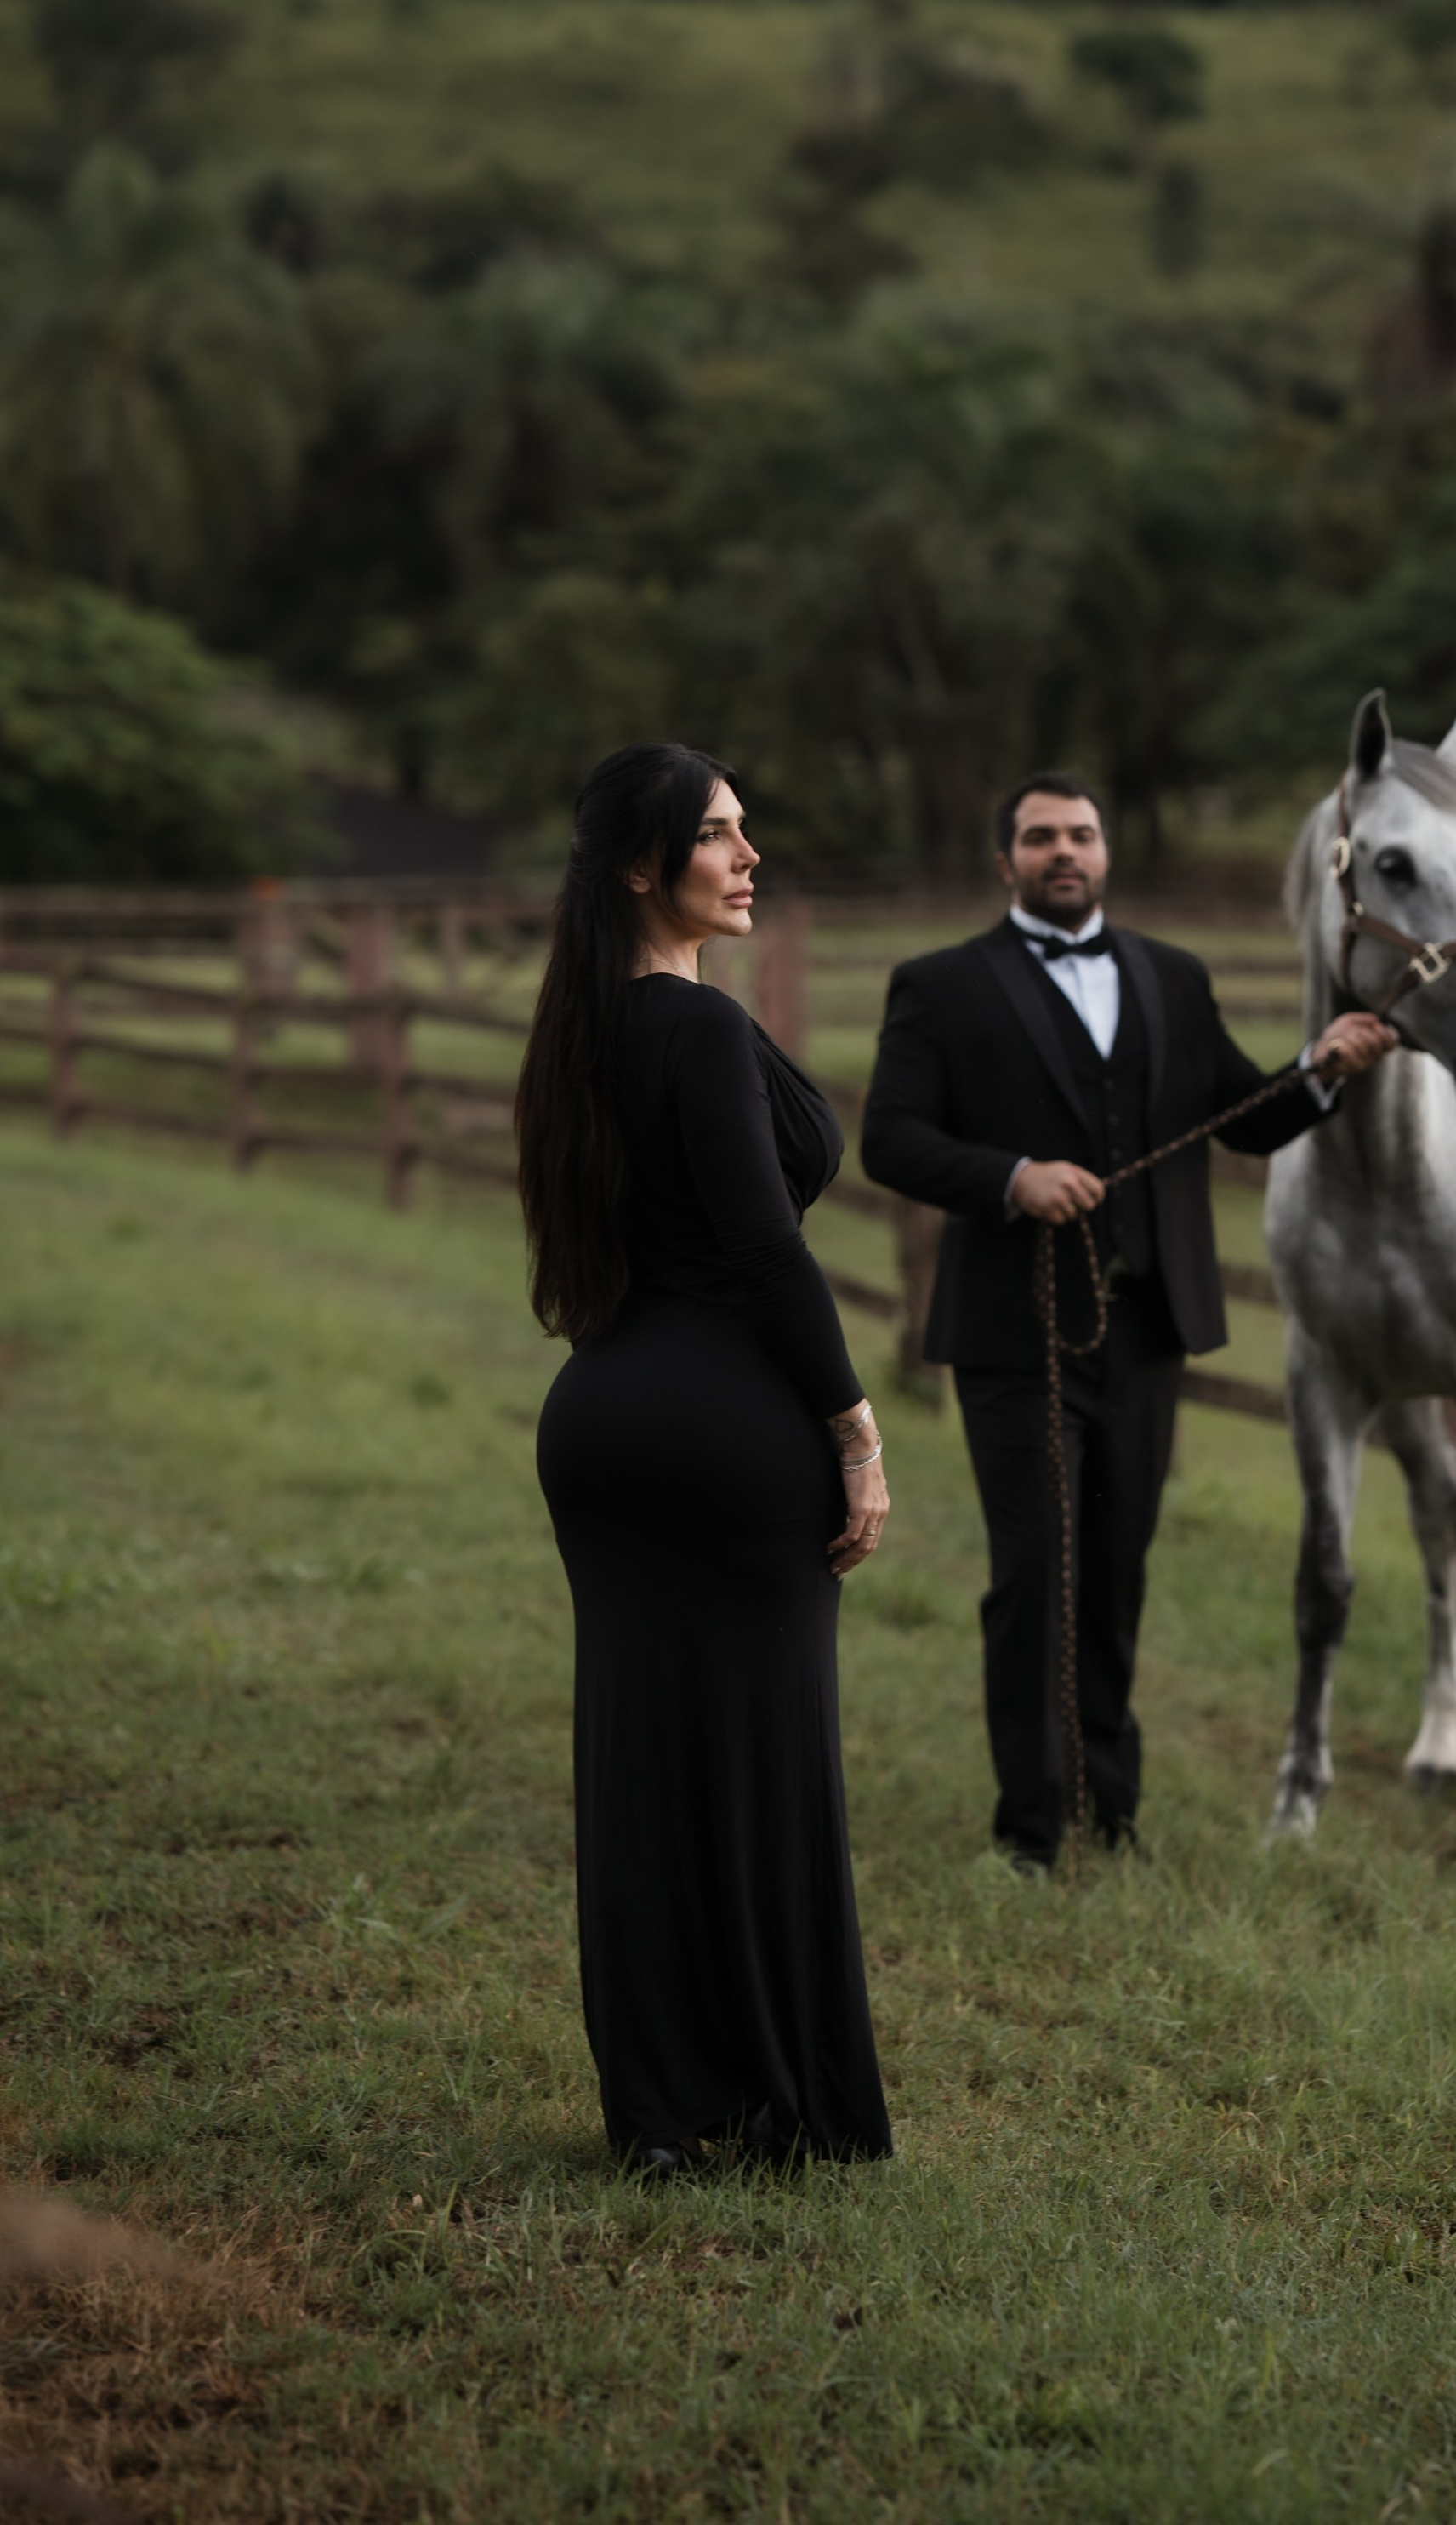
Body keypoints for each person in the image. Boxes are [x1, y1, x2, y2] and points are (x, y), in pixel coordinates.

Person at [861, 773, 1398, 1872]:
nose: (1066, 851)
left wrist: (1321, 1072)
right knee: (1033, 1577)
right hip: (1015, 1335)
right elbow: (890, 1141)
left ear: (1107, 852)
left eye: (1084, 834)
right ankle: (1029, 1830)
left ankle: (1112, 1810)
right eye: (1041, 836)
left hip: (1148, 1329)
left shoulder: (1171, 977)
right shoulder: (940, 987)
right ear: (1003, 858)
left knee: (1115, 1572)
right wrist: (1011, 1176)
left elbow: (1244, 1121)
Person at [518, 742, 892, 2175]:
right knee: (763, 1766)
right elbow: (762, 1246)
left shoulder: (578, 1036)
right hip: (726, 1431)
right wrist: (853, 1431)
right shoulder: (696, 1030)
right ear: (640, 867)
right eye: (719, 837)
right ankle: (786, 2101)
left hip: (600, 1419)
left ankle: (660, 2112)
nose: (749, 857)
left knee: (641, 1764)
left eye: (749, 829)